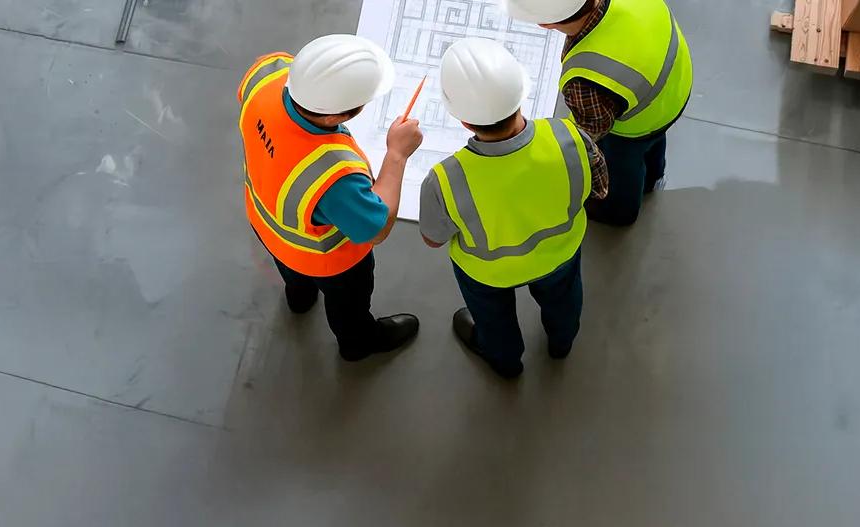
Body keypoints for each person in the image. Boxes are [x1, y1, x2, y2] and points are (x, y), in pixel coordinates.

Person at [419, 39, 608, 380]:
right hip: (559, 256)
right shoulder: (570, 137)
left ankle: (505, 362)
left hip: (489, 273)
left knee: (492, 319)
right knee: (564, 301)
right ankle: (562, 342)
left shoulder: (444, 179)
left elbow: (433, 239)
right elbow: (599, 188)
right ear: (522, 92)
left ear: (462, 120)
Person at [237, 36, 425, 362]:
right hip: (326, 261)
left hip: (267, 225)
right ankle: (357, 344)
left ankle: (299, 297)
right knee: (348, 304)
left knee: (294, 276)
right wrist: (396, 154)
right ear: (332, 118)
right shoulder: (332, 175)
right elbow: (375, 228)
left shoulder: (266, 73)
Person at [504, 0, 692, 227]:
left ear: (545, 24)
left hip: (636, 125)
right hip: (671, 85)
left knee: (623, 165)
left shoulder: (588, 77)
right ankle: (653, 176)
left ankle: (619, 212)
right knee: (653, 144)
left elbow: (593, 130)